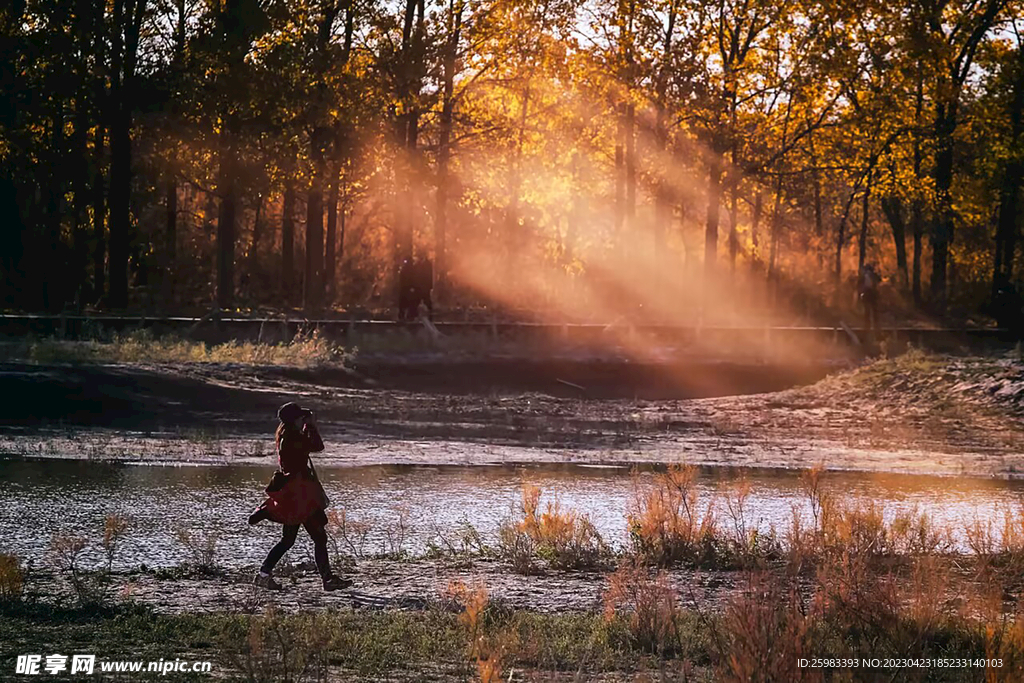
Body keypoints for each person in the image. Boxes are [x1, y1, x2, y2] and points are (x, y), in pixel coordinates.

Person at [249, 402, 351, 591]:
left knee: (289, 540)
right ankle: (327, 580)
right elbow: (318, 446)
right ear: (296, 419)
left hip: (293, 493)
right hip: (300, 495)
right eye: (301, 417)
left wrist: (306, 426)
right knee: (319, 538)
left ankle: (264, 575)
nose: (304, 419)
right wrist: (311, 426)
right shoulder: (294, 437)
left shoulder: (286, 435)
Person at [858, 263, 881, 337]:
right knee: (874, 312)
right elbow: (879, 280)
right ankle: (876, 328)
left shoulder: (864, 276)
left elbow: (859, 285)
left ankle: (867, 328)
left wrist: (860, 295)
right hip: (873, 295)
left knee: (867, 312)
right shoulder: (873, 275)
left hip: (867, 294)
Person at [414, 256, 434, 320]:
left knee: (426, 301)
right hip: (421, 286)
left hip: (424, 286)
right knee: (420, 300)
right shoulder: (424, 264)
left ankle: (429, 316)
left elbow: (429, 275)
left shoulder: (426, 264)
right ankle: (417, 316)